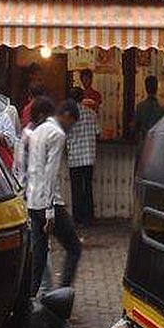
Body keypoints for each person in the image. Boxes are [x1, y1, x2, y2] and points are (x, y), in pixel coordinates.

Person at [26, 98, 83, 297]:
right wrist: (50, 211)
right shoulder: (57, 134)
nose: (71, 128)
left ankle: (30, 299)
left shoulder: (37, 131)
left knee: (39, 257)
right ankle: (62, 296)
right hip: (48, 203)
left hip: (33, 201)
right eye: (72, 123)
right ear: (66, 116)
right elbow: (50, 174)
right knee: (74, 248)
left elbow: (31, 168)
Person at [66, 88, 99, 226]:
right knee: (88, 188)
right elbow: (98, 133)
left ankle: (78, 218)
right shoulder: (91, 114)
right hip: (89, 156)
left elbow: (64, 135)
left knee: (76, 188)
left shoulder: (68, 116)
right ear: (82, 98)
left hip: (75, 157)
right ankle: (89, 218)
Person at [134, 76, 164, 146]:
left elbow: (135, 127)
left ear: (146, 88)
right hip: (157, 144)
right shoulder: (163, 110)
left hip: (144, 143)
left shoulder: (140, 107)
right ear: (157, 88)